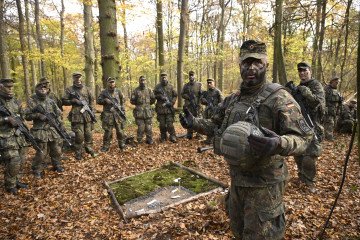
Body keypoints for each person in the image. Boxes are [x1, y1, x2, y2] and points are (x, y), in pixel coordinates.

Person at [179, 40, 312, 239]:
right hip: (238, 182)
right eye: (246, 63)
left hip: (265, 185)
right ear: (239, 65)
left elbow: (305, 137)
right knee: (239, 232)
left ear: (265, 65)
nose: (251, 68)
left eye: (257, 62)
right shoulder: (233, 100)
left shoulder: (279, 98)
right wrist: (195, 123)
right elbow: (216, 126)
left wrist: (279, 143)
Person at [293, 62, 325, 186]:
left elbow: (318, 104)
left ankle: (309, 181)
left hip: (313, 124)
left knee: (310, 155)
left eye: (304, 70)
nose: (302, 73)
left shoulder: (316, 85)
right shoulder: (298, 87)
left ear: (310, 71)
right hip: (300, 124)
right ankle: (302, 177)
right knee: (299, 153)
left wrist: (305, 92)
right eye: (300, 71)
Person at [25, 82, 64, 178]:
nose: (43, 90)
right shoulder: (32, 101)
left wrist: (59, 123)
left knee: (56, 149)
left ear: (47, 90)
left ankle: (57, 165)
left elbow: (58, 113)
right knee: (42, 152)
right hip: (40, 130)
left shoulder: (51, 101)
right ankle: (37, 169)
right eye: (40, 89)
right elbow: (27, 116)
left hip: (51, 129)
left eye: (45, 89)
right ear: (36, 90)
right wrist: (38, 115)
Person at [0, 78, 29, 194]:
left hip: (19, 136)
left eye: (12, 87)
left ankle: (16, 180)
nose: (11, 89)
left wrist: (22, 123)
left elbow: (23, 116)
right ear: (1, 87)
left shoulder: (15, 102)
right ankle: (10, 185)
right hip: (5, 136)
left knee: (21, 159)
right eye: (8, 87)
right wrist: (6, 119)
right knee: (14, 160)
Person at [62, 72, 97, 160]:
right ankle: (78, 153)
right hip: (76, 116)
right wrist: (72, 101)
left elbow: (92, 102)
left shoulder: (87, 89)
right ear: (73, 79)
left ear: (81, 78)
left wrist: (92, 112)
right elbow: (63, 100)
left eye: (79, 78)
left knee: (88, 134)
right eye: (76, 78)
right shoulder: (69, 90)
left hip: (87, 115)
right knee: (79, 136)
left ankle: (89, 149)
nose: (78, 79)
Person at [97, 77, 126, 152]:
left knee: (120, 130)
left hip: (117, 114)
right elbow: (98, 101)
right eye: (110, 82)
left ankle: (122, 144)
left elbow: (123, 100)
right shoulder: (104, 92)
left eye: (113, 82)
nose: (112, 83)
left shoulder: (118, 91)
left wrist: (122, 108)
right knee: (108, 131)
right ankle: (106, 146)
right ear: (107, 83)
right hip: (108, 114)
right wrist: (105, 101)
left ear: (115, 83)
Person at [130, 76, 156, 144]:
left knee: (148, 127)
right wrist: (139, 105)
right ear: (139, 81)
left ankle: (149, 139)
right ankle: (139, 140)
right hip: (139, 112)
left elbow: (153, 99)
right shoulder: (135, 90)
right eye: (141, 80)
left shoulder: (149, 90)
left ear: (146, 81)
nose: (143, 82)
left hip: (148, 112)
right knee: (141, 127)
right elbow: (132, 101)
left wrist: (148, 104)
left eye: (144, 80)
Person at [154, 73, 178, 143]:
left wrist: (172, 103)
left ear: (167, 78)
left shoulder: (171, 86)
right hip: (160, 109)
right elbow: (153, 95)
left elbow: (175, 95)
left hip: (169, 109)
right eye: (162, 78)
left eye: (165, 77)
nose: (164, 79)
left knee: (170, 124)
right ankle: (163, 136)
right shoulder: (157, 87)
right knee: (162, 125)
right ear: (160, 78)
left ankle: (173, 136)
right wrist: (159, 96)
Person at [200, 78, 223, 144]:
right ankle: (208, 139)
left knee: (214, 125)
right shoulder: (206, 92)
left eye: (211, 83)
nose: (209, 84)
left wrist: (217, 108)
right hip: (207, 111)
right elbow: (202, 102)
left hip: (215, 112)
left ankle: (214, 140)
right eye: (208, 83)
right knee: (207, 125)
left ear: (214, 83)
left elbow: (222, 102)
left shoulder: (217, 91)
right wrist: (203, 101)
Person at [181, 70, 202, 139]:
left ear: (194, 76)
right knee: (189, 119)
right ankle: (189, 134)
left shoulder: (199, 85)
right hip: (189, 106)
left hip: (197, 106)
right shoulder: (186, 85)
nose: (191, 76)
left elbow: (202, 95)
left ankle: (199, 134)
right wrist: (187, 97)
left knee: (198, 119)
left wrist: (199, 101)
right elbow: (182, 94)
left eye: (192, 75)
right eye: (190, 75)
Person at [323, 76, 343, 140]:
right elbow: (322, 100)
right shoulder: (326, 89)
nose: (337, 83)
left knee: (333, 123)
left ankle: (329, 136)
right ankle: (329, 137)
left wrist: (341, 100)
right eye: (336, 82)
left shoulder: (336, 91)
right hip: (328, 110)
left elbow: (339, 101)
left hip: (335, 110)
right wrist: (324, 109)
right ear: (332, 82)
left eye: (338, 82)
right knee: (329, 123)